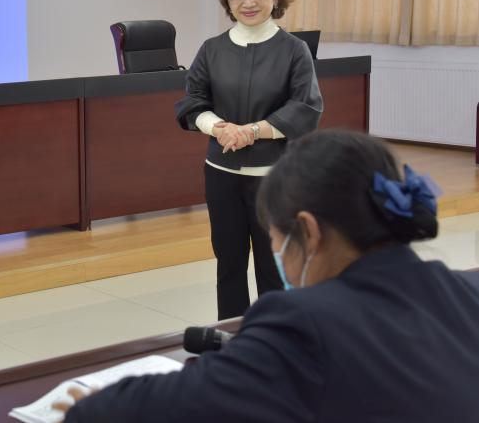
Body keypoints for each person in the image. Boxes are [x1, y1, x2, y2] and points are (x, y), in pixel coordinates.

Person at [59, 130, 479, 422]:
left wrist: (90, 408)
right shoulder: (466, 290)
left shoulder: (305, 325)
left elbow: (171, 406)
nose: (277, 254)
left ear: (308, 232)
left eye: (275, 239)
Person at [175, 0, 323, 319]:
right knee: (229, 264)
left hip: (273, 178)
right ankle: (232, 338)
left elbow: (305, 107)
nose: (248, 2)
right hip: (221, 174)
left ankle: (277, 338)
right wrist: (219, 127)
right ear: (227, 0)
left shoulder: (293, 50)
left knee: (274, 268)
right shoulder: (212, 49)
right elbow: (192, 102)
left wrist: (253, 131)